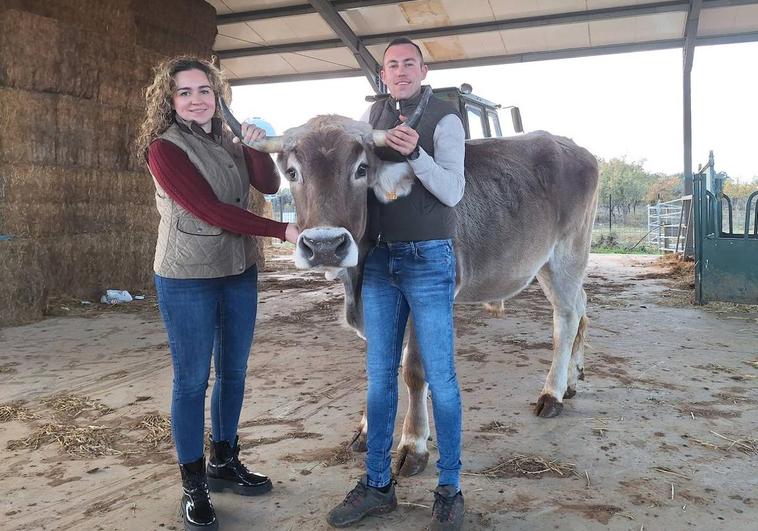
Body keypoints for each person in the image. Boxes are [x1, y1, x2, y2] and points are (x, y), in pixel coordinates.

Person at [136, 56, 298, 531]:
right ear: (169, 101)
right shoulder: (163, 149)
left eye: (204, 91)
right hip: (187, 277)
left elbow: (267, 184)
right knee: (191, 381)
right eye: (184, 92)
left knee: (234, 372)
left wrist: (253, 148)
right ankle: (193, 485)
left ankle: (223, 462)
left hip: (237, 270)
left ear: (218, 95)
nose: (196, 99)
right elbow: (208, 210)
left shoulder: (228, 139)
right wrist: (283, 230)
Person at [326, 38, 466, 530]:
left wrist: (418, 155)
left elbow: (453, 189)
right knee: (381, 377)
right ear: (382, 74)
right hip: (380, 262)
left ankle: (449, 490)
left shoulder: (446, 117)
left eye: (410, 63)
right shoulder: (371, 117)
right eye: (392, 65)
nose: (401, 71)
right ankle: (377, 485)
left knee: (441, 379)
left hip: (428, 258)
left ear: (424, 70)